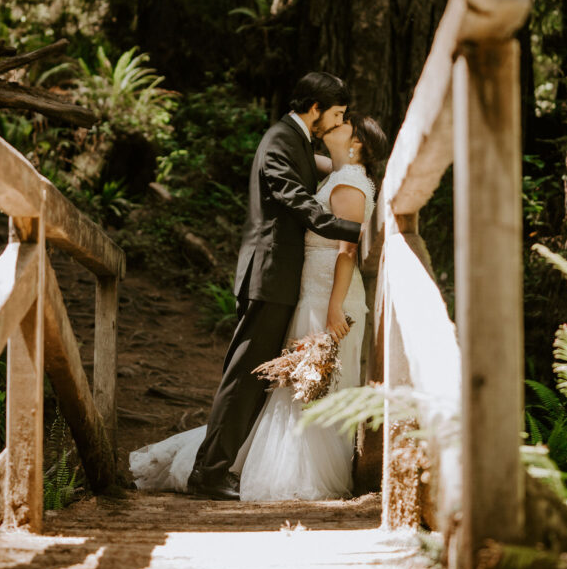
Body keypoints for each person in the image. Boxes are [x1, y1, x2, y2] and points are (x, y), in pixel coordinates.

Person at [130, 106, 388, 502]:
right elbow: (303, 155)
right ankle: (233, 460)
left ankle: (296, 472)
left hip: (328, 296)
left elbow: (347, 251)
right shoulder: (338, 172)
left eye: (343, 122)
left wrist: (335, 307)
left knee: (310, 381)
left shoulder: (350, 182)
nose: (333, 124)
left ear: (357, 143)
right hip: (311, 290)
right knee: (291, 381)